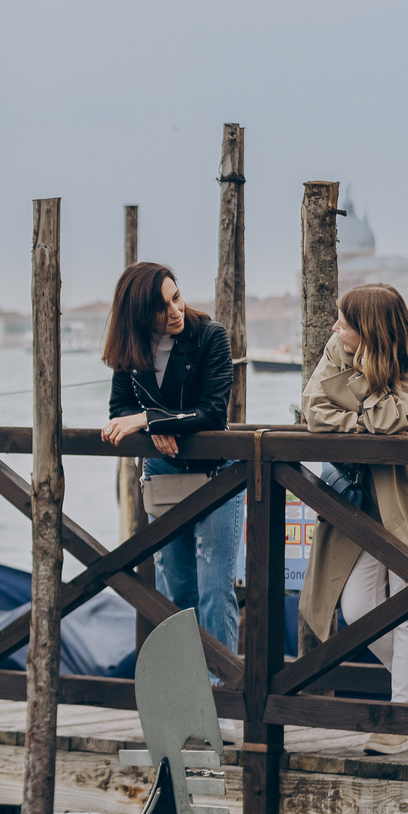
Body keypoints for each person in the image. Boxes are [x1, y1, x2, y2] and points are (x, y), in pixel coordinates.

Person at [298, 282, 408, 748]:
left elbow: (401, 415)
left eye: (345, 322)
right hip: (359, 497)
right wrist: (366, 417)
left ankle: (399, 721)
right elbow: (314, 409)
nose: (335, 328)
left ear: (369, 330)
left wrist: (355, 406)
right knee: (356, 609)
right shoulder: (339, 347)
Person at [100, 261, 241, 650]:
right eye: (162, 308)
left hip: (219, 473)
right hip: (163, 471)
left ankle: (222, 694)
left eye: (176, 297)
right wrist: (155, 426)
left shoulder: (211, 336)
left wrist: (152, 419)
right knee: (175, 592)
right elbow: (119, 410)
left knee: (215, 591)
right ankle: (185, 693)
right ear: (140, 316)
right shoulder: (129, 349)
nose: (176, 311)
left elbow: (213, 412)